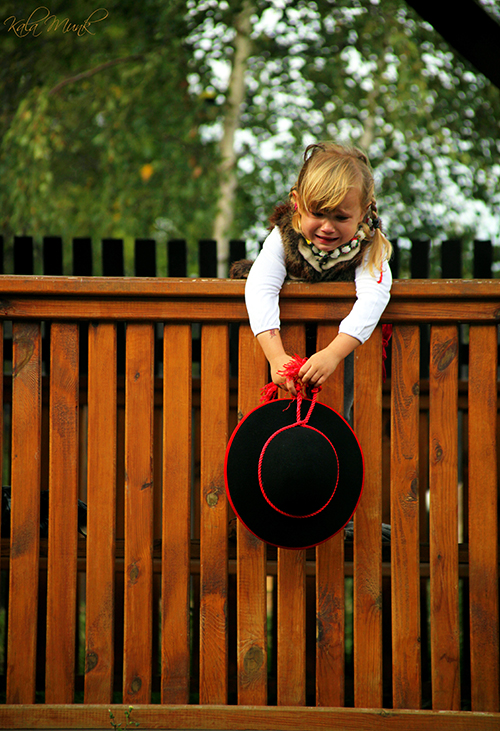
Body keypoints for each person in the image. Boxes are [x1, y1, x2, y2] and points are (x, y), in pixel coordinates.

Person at [232, 141, 392, 414]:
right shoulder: (283, 237)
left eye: (341, 217)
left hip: (338, 357)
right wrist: (276, 357)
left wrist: (333, 354)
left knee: (334, 415)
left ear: (363, 212)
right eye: (317, 214)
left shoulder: (368, 247)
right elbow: (261, 288)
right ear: (297, 203)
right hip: (280, 348)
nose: (327, 227)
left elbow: (373, 298)